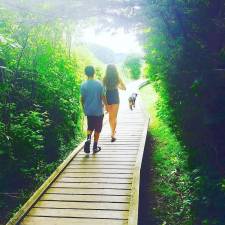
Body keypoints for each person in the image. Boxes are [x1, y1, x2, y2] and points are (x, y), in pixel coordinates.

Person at [80, 66, 107, 154]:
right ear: (94, 72)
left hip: (89, 111)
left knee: (90, 126)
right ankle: (95, 147)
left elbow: (82, 99)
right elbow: (102, 96)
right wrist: (106, 106)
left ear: (86, 73)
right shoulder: (99, 84)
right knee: (98, 129)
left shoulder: (83, 85)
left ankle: (88, 139)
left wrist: (84, 109)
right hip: (98, 111)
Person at [103, 64, 126, 142]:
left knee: (110, 117)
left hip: (108, 97)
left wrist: (104, 103)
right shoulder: (117, 78)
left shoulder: (105, 78)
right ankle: (113, 133)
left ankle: (112, 130)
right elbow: (124, 88)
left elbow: (102, 91)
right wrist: (118, 86)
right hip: (115, 97)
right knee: (114, 117)